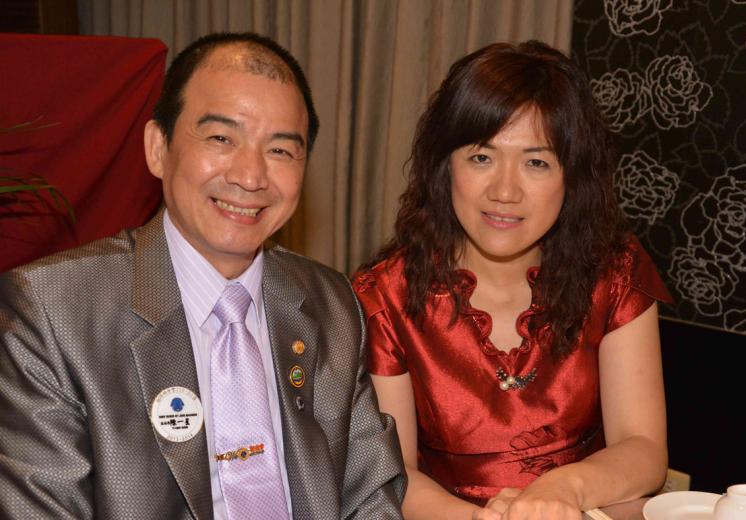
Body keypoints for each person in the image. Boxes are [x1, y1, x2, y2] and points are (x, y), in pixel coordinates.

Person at [0, 32, 405, 519]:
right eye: (221, 139)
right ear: (158, 147)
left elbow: (371, 496)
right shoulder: (53, 310)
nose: (250, 176)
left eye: (280, 150)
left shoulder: (330, 302)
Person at [352, 40, 672, 520]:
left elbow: (643, 447)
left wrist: (563, 488)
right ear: (445, 166)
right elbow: (395, 473)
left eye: (536, 162)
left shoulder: (614, 273)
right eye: (482, 157)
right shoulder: (384, 296)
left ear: (571, 177)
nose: (504, 191)